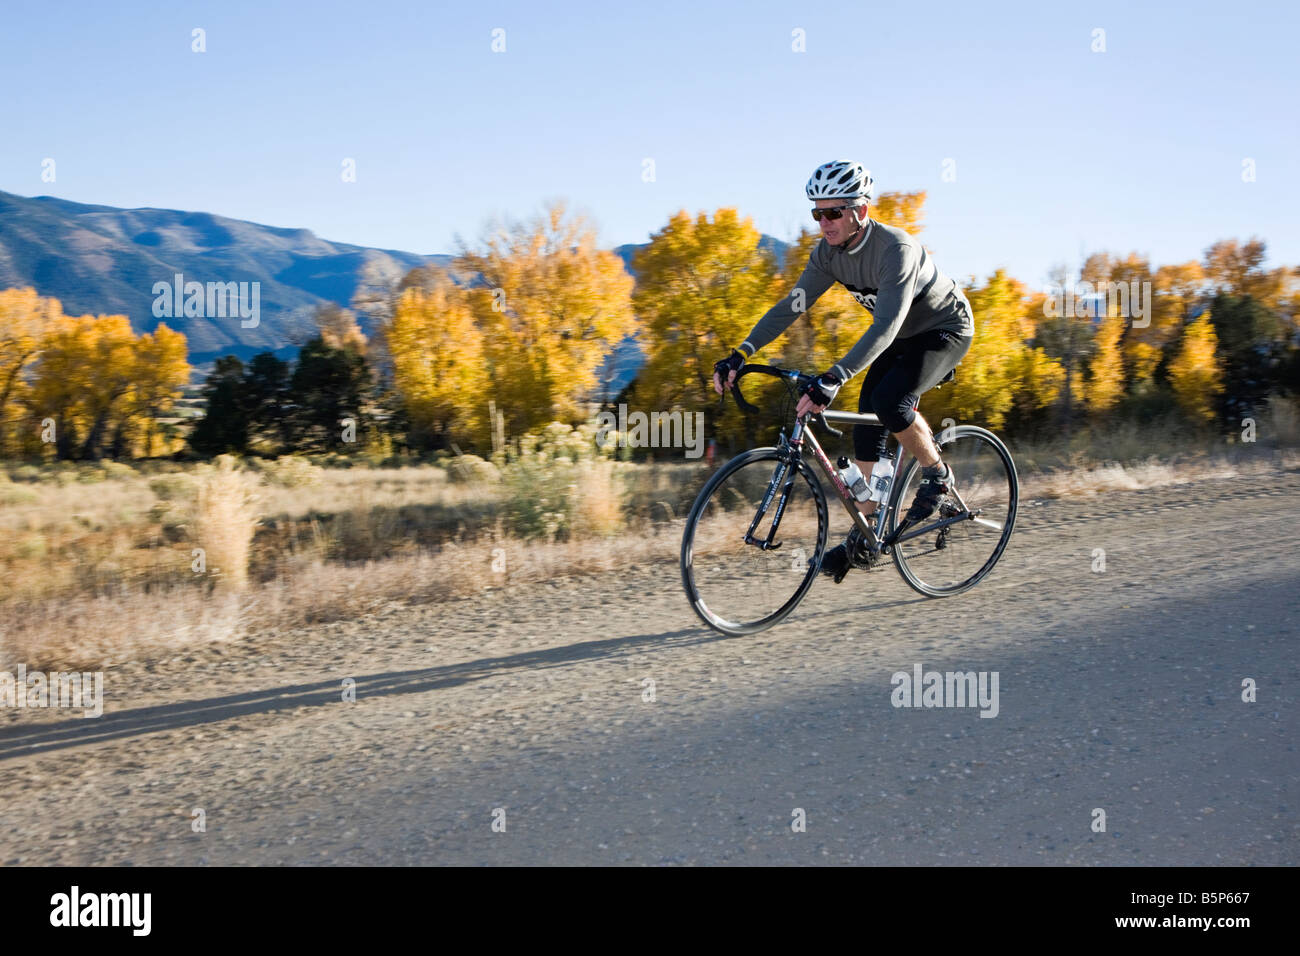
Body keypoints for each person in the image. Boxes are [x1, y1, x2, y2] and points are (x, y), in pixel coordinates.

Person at [712, 160, 976, 582]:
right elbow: (792, 306)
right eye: (817, 212)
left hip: (943, 330)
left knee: (892, 401)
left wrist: (834, 377)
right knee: (868, 425)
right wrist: (740, 353)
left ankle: (938, 475)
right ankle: (866, 535)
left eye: (833, 212)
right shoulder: (828, 255)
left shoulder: (896, 250)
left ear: (861, 212)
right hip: (901, 339)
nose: (824, 222)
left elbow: (885, 326)